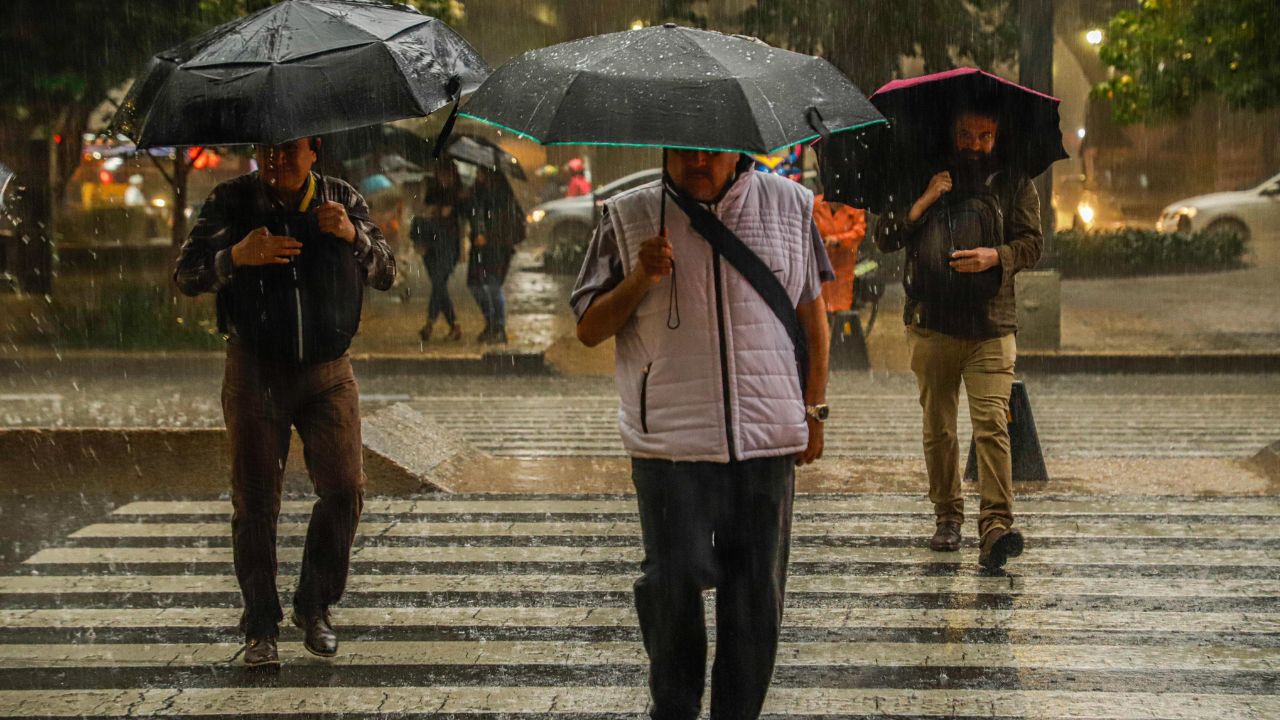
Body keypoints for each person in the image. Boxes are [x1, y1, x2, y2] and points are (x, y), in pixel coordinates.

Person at [571, 149, 832, 720]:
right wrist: (640, 277)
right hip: (669, 444)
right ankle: (675, 707)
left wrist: (814, 409)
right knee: (672, 584)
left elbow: (814, 316)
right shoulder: (627, 214)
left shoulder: (790, 206)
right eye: (684, 147)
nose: (697, 159)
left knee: (755, 599)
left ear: (738, 146)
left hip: (765, 442)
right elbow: (589, 328)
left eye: (712, 148)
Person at [174, 136, 396, 667]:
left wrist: (352, 235)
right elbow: (186, 275)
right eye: (267, 150)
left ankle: (314, 605)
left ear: (314, 150)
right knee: (255, 504)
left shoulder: (343, 197)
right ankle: (260, 625)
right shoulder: (232, 200)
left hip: (328, 372)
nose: (278, 159)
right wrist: (236, 256)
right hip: (255, 371)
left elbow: (387, 272)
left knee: (344, 490)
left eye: (290, 149)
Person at [873, 107, 1042, 569]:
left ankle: (996, 526)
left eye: (986, 135)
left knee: (991, 424)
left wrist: (998, 256)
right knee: (940, 427)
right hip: (931, 324)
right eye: (966, 133)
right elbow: (884, 237)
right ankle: (947, 516)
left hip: (991, 326)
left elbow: (1033, 243)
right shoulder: (921, 171)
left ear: (998, 135)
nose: (975, 144)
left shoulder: (1015, 180)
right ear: (951, 131)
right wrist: (924, 199)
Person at [465, 166, 524, 344]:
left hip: (498, 248)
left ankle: (498, 326)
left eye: (480, 173)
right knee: (474, 284)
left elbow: (507, 223)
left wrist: (488, 236)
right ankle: (491, 322)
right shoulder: (477, 193)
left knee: (492, 284)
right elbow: (473, 215)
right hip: (479, 249)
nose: (477, 176)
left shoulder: (502, 195)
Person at [411, 162, 465, 342]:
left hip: (449, 245)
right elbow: (424, 211)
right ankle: (453, 325)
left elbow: (461, 222)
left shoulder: (459, 194)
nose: (443, 177)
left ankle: (431, 324)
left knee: (438, 283)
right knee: (438, 284)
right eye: (440, 172)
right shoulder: (433, 189)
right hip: (431, 244)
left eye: (446, 173)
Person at [812, 192, 866, 315]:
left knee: (840, 313)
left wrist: (838, 239)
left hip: (843, 270)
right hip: (819, 268)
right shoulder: (815, 205)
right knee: (819, 310)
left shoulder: (855, 207)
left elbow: (859, 232)